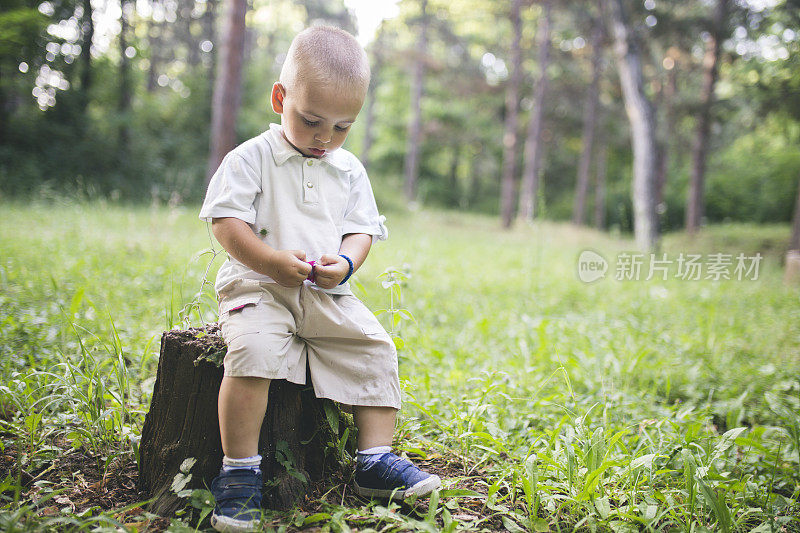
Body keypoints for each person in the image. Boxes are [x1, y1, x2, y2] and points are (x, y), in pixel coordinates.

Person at [199, 25, 441, 533]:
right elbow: (225, 222)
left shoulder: (348, 169)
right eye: (311, 121)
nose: (324, 138)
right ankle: (240, 473)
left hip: (324, 291)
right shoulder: (251, 158)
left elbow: (361, 231)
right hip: (258, 286)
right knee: (252, 353)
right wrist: (269, 261)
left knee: (375, 347)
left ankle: (374, 460)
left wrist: (347, 265)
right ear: (279, 97)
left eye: (341, 127)